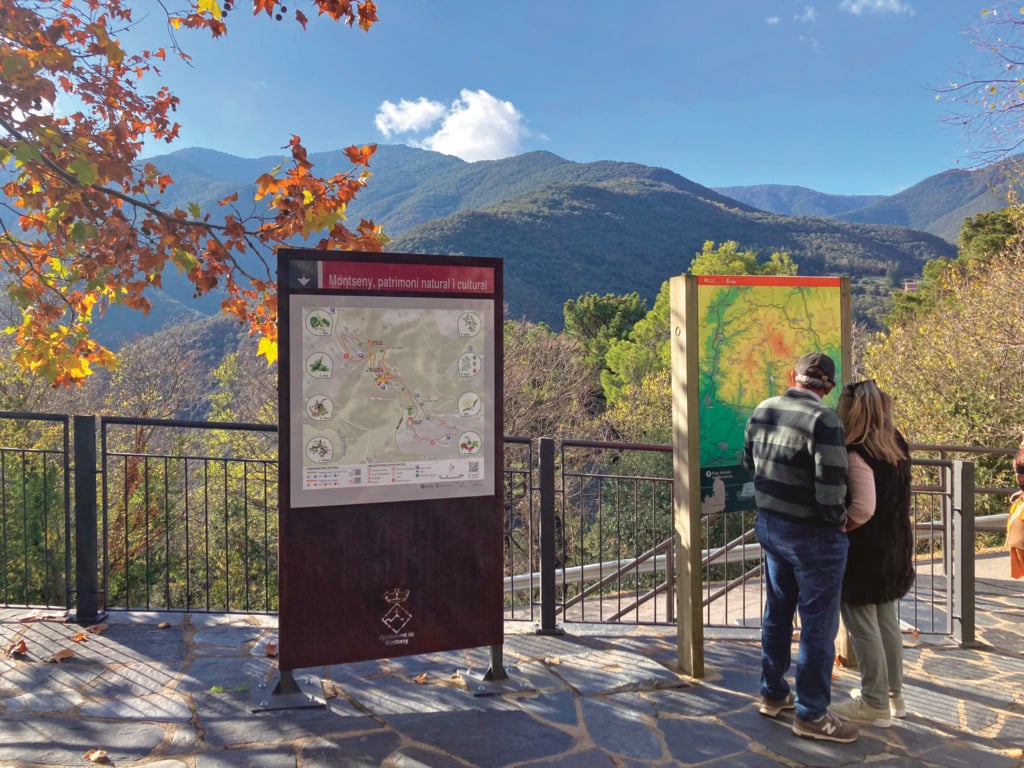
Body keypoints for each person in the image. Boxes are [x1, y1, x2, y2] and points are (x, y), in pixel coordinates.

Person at [743, 352, 857, 743]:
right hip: (813, 536)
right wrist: (836, 523)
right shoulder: (825, 420)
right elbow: (832, 486)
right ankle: (811, 714)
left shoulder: (763, 409)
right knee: (818, 625)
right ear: (828, 387)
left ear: (794, 376)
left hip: (771, 527)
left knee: (777, 612)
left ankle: (772, 693)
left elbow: (748, 462)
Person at [831, 379, 914, 727]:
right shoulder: (896, 445)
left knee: (863, 625)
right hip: (894, 547)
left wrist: (838, 528)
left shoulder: (856, 452)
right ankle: (893, 696)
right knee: (887, 623)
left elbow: (862, 510)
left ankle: (874, 702)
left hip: (864, 554)